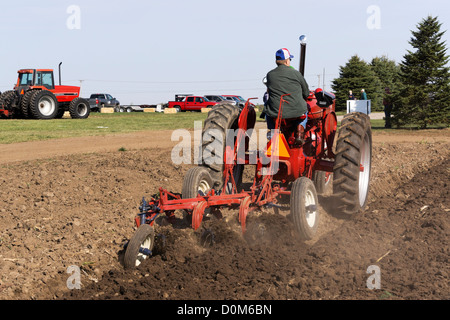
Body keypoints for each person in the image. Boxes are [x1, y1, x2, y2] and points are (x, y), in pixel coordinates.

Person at [264, 48, 309, 145]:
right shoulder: (296, 73)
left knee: (267, 110)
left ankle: (273, 133)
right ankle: (299, 132)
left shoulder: (270, 75)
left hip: (277, 112)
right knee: (305, 110)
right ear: (287, 61)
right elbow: (306, 93)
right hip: (296, 111)